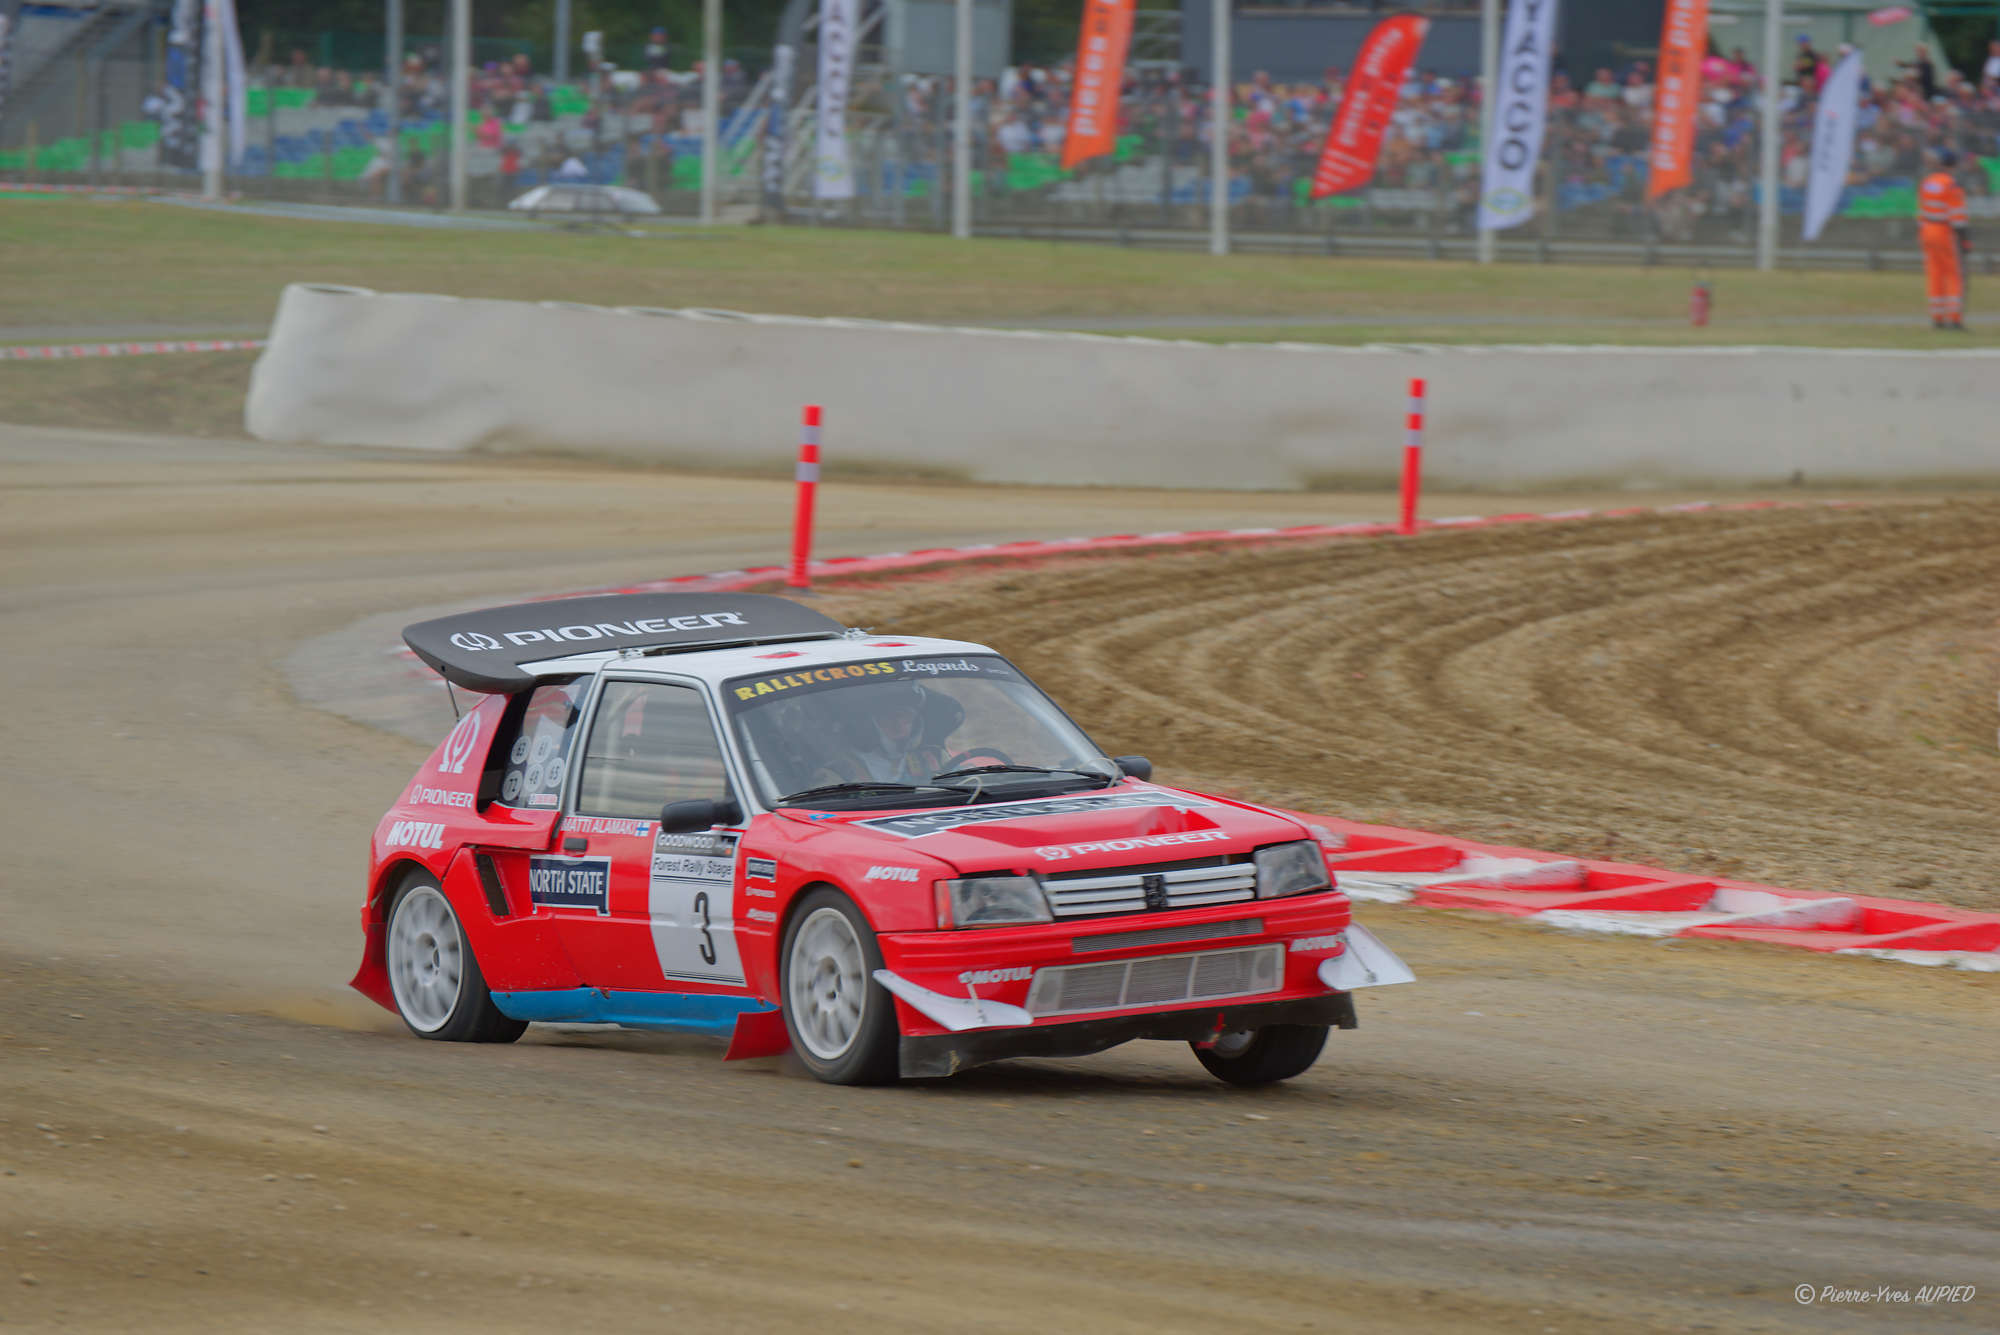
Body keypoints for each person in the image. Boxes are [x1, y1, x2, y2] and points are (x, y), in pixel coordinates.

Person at [1917, 149, 1969, 329]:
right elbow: (1958, 216)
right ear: (1953, 166)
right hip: (1944, 231)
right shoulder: (1952, 185)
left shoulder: (1927, 182)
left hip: (1926, 230)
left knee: (1935, 274)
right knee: (1954, 274)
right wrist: (1965, 240)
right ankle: (1954, 318)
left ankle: (1937, 317)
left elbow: (1921, 209)